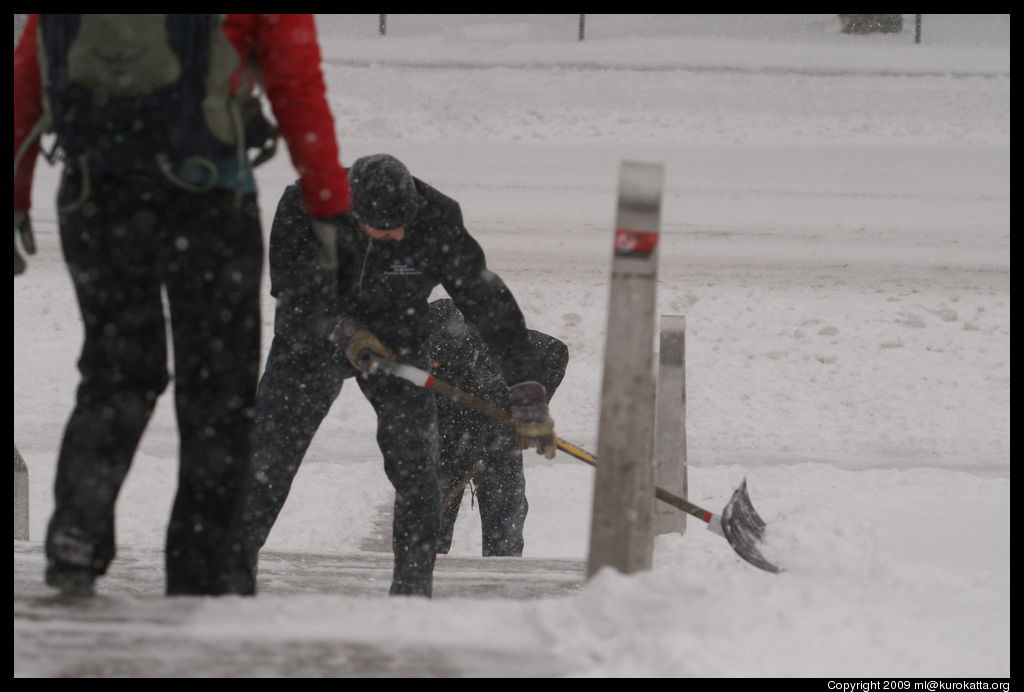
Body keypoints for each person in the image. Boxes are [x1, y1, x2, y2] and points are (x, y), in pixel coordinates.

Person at [13, 14, 353, 597]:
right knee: (217, 389)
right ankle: (203, 565)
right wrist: (328, 201)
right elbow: (295, 83)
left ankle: (78, 533)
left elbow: (28, 74)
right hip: (208, 199)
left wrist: (16, 189)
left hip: (96, 196)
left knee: (115, 373)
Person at [241, 154, 557, 597]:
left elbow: (487, 299)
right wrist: (343, 330)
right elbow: (293, 293)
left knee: (417, 470)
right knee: (268, 462)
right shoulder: (304, 204)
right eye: (385, 228)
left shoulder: (436, 216)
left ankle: (411, 592)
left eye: (403, 224)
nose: (399, 236)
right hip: (310, 344)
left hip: (397, 343)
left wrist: (525, 386)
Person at [428, 298, 568, 557]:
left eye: (438, 362)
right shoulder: (420, 342)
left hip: (499, 444)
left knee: (504, 536)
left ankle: (505, 584)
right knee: (428, 536)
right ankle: (422, 585)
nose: (434, 366)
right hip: (444, 446)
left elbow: (556, 352)